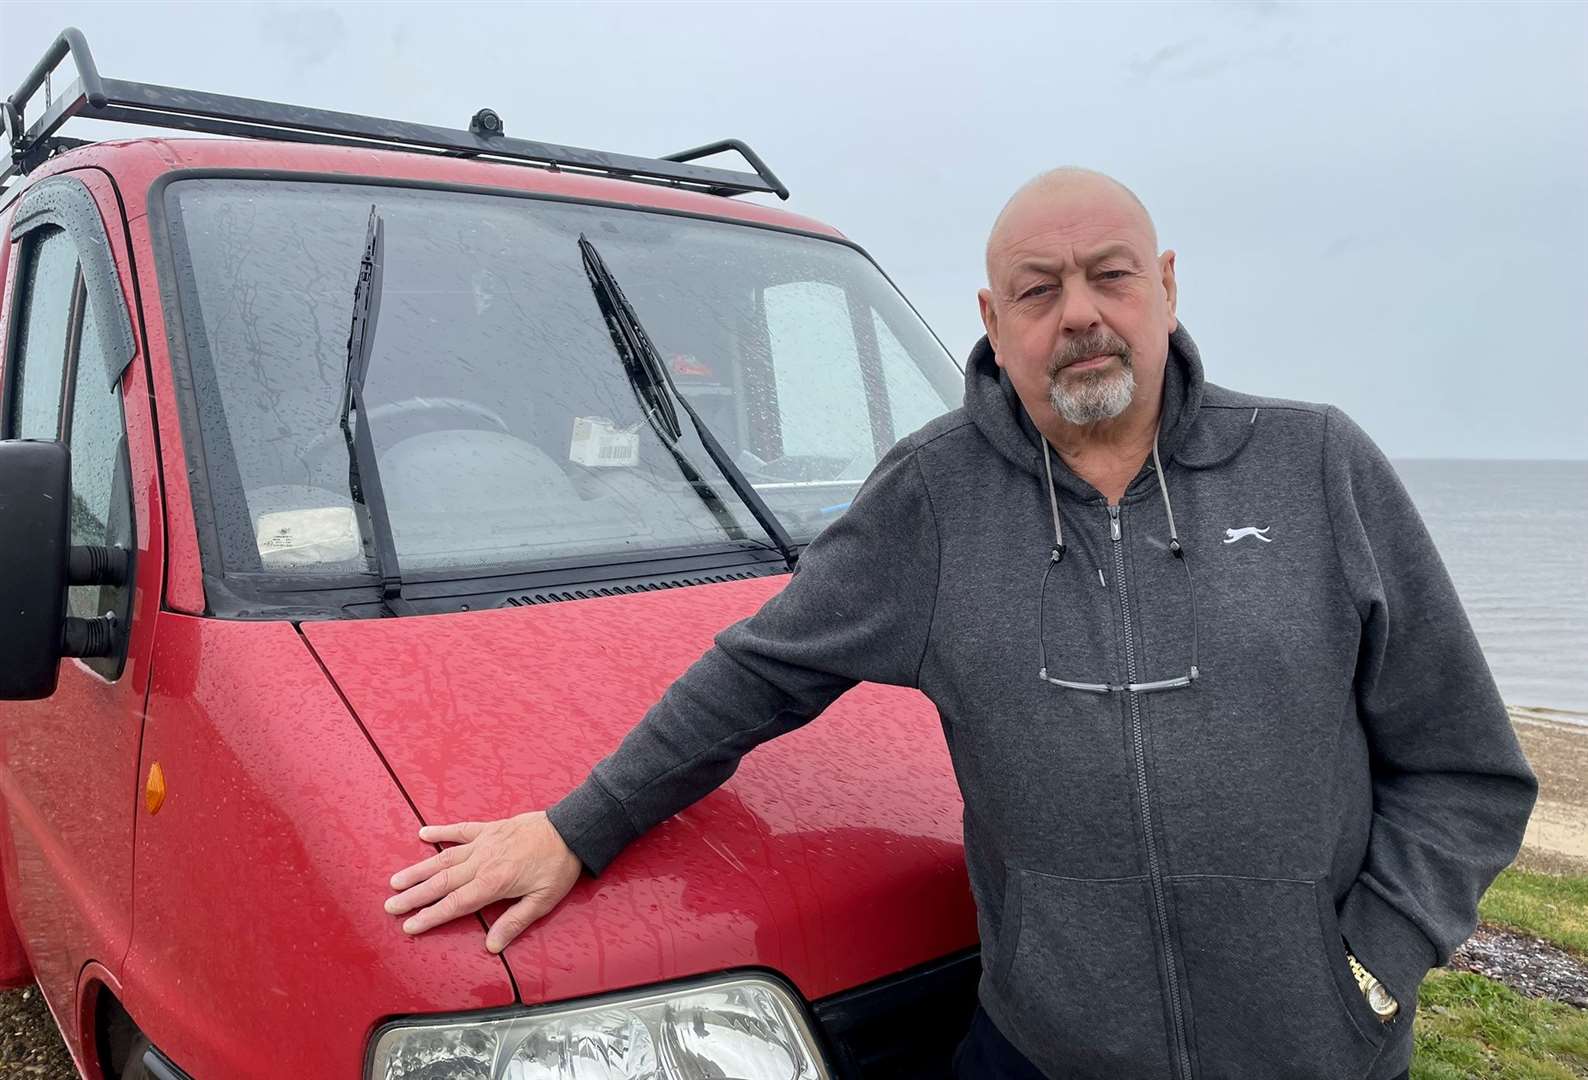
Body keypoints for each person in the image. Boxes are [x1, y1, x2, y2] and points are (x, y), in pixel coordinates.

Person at [383, 168, 1538, 1080]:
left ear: (1167, 286)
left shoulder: (1316, 466)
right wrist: (578, 827)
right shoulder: (932, 499)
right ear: (993, 316)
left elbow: (1464, 769)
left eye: (1109, 277)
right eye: (1039, 289)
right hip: (1041, 1057)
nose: (1078, 314)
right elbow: (758, 674)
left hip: (1322, 1056)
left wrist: (1375, 960)